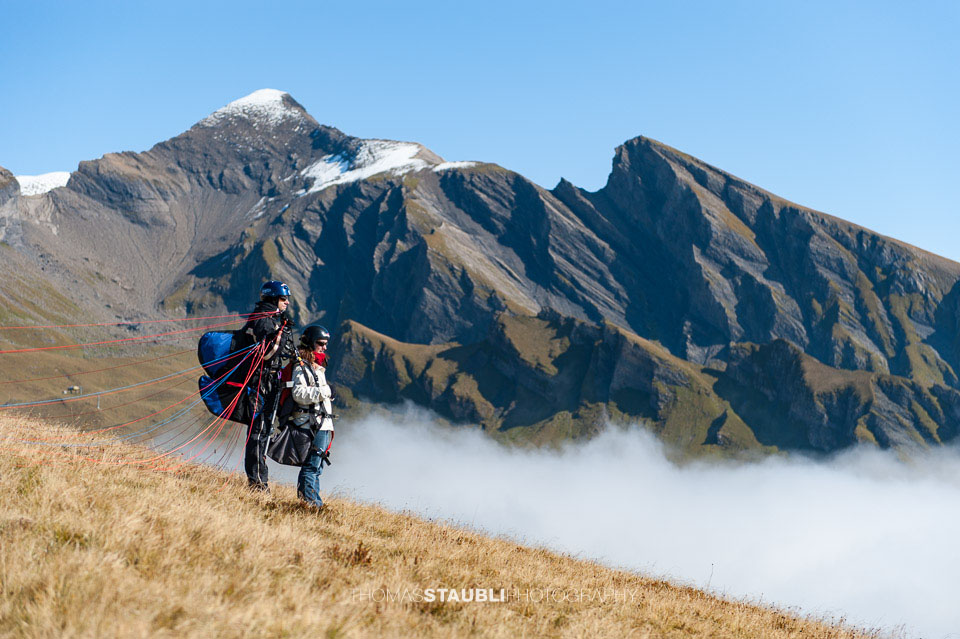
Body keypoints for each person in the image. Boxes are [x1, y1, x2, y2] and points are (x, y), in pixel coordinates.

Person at [241, 280, 295, 491]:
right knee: (259, 430)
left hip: (269, 381)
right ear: (273, 299)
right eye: (283, 299)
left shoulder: (270, 319)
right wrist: (281, 335)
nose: (287, 303)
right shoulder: (263, 320)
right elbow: (267, 354)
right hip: (260, 382)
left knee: (264, 430)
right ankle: (256, 483)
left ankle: (260, 480)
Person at [290, 324, 335, 510]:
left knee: (316, 467)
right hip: (314, 424)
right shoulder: (302, 367)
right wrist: (324, 391)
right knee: (312, 467)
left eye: (325, 344)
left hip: (320, 423)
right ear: (310, 343)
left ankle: (312, 504)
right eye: (320, 343)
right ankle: (311, 506)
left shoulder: (315, 367)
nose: (324, 347)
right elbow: (298, 393)